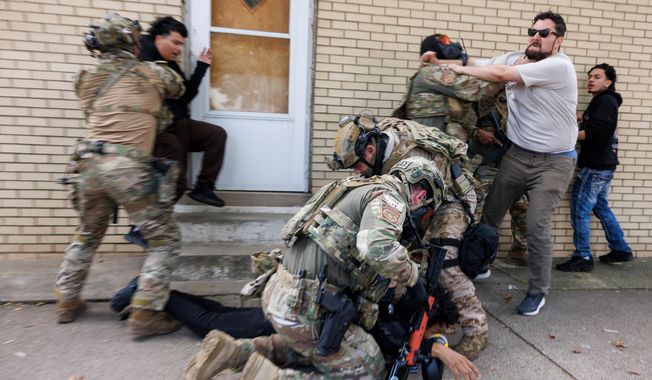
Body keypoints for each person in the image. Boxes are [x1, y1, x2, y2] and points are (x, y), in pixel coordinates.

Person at [183, 157, 447, 379]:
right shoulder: (390, 198)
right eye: (424, 209)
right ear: (421, 195)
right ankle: (272, 377)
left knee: (311, 345)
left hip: (279, 291)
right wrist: (413, 277)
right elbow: (375, 248)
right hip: (304, 303)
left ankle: (234, 351)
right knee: (368, 367)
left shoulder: (351, 186)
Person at [54, 13, 186, 337]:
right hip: (126, 168)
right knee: (165, 241)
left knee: (87, 235)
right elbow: (178, 88)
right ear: (132, 41)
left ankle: (66, 301)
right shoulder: (152, 72)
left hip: (87, 165)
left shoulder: (86, 78)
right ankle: (145, 314)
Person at [446, 11, 578, 316]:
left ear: (558, 40)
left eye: (544, 33)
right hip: (519, 155)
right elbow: (479, 64)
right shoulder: (517, 57)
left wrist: (456, 67)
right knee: (491, 212)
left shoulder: (559, 66)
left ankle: (537, 291)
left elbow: (501, 75)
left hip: (555, 162)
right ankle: (481, 264)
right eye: (533, 30)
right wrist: (439, 60)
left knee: (536, 225)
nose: (536, 36)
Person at [328, 114, 490, 360]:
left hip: (451, 199)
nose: (356, 170)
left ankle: (476, 330)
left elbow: (413, 209)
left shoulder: (412, 158)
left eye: (357, 165)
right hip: (420, 199)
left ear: (370, 150)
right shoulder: (381, 144)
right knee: (410, 259)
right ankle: (439, 317)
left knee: (443, 260)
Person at [140, 16, 227, 207]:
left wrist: (202, 67)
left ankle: (203, 187)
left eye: (182, 44)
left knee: (216, 135)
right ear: (158, 38)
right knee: (176, 183)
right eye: (176, 42)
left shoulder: (169, 63)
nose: (179, 49)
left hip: (180, 124)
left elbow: (185, 94)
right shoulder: (140, 60)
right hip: (161, 133)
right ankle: (147, 225)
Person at [556, 63, 634, 272]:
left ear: (608, 82)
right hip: (604, 165)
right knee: (600, 206)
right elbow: (598, 125)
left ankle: (583, 256)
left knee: (579, 210)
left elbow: (595, 132)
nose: (591, 79)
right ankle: (621, 249)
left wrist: (563, 137)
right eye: (590, 76)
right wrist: (581, 116)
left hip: (596, 166)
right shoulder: (602, 102)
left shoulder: (606, 101)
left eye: (597, 77)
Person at [393, 33, 504, 142]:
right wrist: (507, 75)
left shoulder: (438, 74)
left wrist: (475, 131)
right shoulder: (431, 72)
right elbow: (476, 89)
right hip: (428, 146)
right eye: (445, 43)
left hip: (437, 143)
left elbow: (455, 114)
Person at [110, 276, 275, 339]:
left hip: (284, 314)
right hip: (286, 322)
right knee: (209, 322)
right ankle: (145, 288)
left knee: (218, 311)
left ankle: (147, 289)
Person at [470, 91, 529, 266]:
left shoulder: (522, 101)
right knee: (469, 207)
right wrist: (477, 132)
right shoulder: (483, 99)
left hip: (514, 167)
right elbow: (461, 122)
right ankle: (470, 252)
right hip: (486, 166)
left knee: (524, 208)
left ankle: (519, 252)